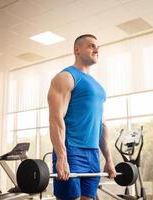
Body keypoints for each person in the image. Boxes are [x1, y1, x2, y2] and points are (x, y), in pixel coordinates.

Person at [47, 34, 116, 200]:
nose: (96, 49)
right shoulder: (66, 77)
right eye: (91, 45)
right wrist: (62, 157)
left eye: (98, 47)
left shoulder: (98, 87)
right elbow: (56, 120)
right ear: (77, 49)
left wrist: (109, 159)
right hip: (71, 151)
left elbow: (101, 125)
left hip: (93, 154)